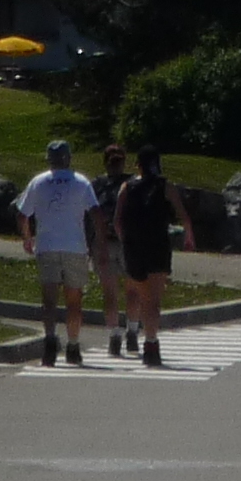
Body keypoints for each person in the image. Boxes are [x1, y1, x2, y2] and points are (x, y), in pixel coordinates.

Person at [13, 139, 100, 366]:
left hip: (47, 245)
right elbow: (96, 213)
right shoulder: (81, 182)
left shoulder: (38, 182)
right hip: (75, 247)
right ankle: (73, 345)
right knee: (74, 301)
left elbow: (22, 214)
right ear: (68, 158)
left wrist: (27, 237)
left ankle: (50, 340)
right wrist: (97, 241)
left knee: (49, 300)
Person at [114, 145, 191, 369]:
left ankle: (141, 334)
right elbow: (183, 215)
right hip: (158, 245)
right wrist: (188, 236)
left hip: (135, 247)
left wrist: (124, 240)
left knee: (142, 294)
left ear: (138, 164)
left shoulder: (127, 187)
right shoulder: (165, 186)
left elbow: (117, 220)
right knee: (153, 300)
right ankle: (151, 343)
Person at [86, 145, 134, 357]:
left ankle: (118, 333)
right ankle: (128, 331)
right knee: (128, 290)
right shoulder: (131, 184)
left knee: (113, 292)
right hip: (122, 242)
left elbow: (88, 215)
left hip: (110, 242)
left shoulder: (96, 185)